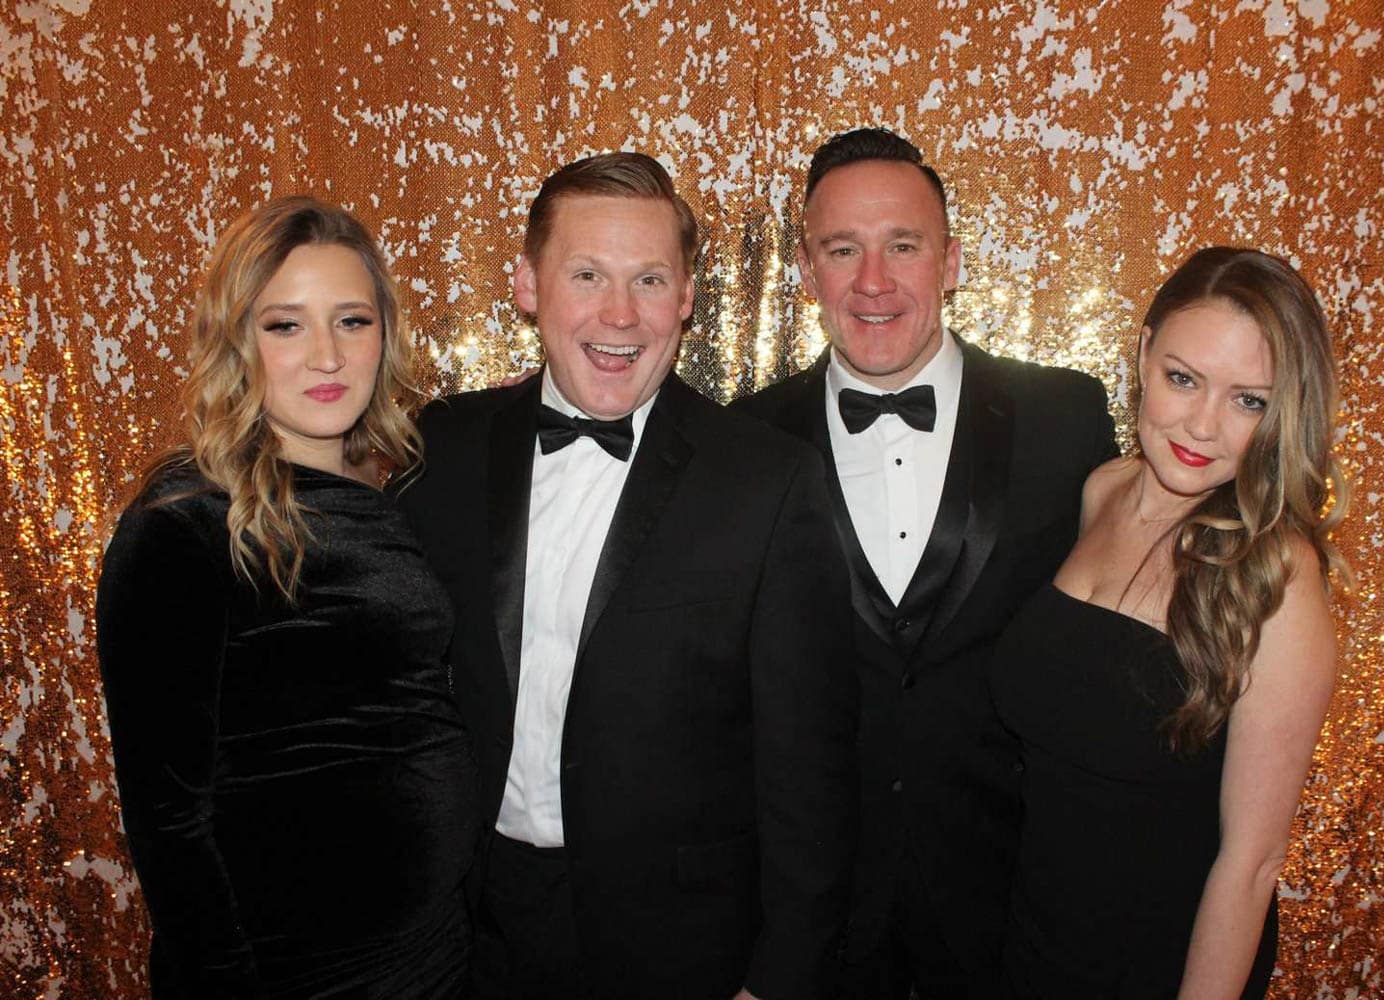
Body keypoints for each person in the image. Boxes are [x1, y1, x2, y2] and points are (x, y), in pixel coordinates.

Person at [394, 151, 857, 1000]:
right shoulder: (447, 445)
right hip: (470, 933)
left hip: (681, 947)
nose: (620, 313)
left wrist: (778, 977)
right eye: (587, 275)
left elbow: (810, 771)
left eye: (649, 279)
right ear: (528, 285)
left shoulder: (768, 479)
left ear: (686, 297)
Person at [736, 128, 1118, 997]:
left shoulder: (1065, 419)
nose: (873, 281)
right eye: (843, 249)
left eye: (903, 246)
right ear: (806, 270)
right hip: (814, 922)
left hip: (1013, 911)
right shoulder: (745, 439)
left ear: (951, 262)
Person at [95, 196, 478, 997]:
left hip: (435, 951)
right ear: (237, 341)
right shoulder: (184, 523)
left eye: (351, 321)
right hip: (295, 973)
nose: (327, 357)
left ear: (385, 333)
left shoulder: (392, 489)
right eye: (286, 326)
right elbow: (168, 820)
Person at [989, 246, 1346, 997]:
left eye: (1249, 401)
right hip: (1029, 942)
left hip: (1160, 967)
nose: (1203, 425)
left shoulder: (1276, 574)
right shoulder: (1102, 490)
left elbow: (1250, 865)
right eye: (1183, 379)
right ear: (1145, 355)